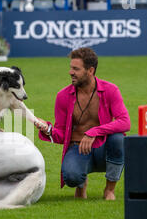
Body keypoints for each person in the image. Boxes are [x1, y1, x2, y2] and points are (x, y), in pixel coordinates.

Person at [35, 47, 130, 200]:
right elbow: (61, 134)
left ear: (90, 70)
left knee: (118, 139)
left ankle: (109, 190)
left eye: (76, 69)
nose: (70, 72)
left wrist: (95, 131)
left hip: (103, 148)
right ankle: (80, 184)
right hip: (77, 148)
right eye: (70, 68)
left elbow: (125, 122)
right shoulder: (62, 96)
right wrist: (47, 129)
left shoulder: (110, 90)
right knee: (71, 177)